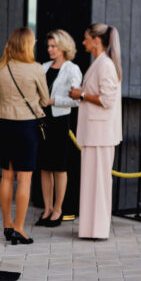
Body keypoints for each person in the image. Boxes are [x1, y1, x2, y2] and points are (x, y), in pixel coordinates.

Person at [0, 26, 50, 245]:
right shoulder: (35, 68)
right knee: (24, 179)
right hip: (26, 126)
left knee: (6, 176)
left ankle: (7, 225)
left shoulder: (0, 67)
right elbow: (44, 99)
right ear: (27, 45)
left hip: (4, 124)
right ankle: (19, 228)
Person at [68, 23, 123, 240]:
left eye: (86, 39)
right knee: (92, 183)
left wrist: (81, 95)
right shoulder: (100, 63)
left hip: (101, 134)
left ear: (96, 40)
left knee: (99, 183)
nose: (83, 43)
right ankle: (90, 229)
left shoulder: (105, 65)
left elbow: (107, 100)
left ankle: (98, 229)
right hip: (95, 133)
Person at [35, 29, 83, 227]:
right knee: (45, 167)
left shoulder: (72, 69)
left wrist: (53, 100)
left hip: (60, 121)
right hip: (42, 120)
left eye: (54, 46)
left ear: (63, 47)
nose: (50, 49)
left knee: (59, 167)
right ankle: (47, 209)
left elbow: (76, 100)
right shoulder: (43, 67)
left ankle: (58, 209)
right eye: (48, 46)